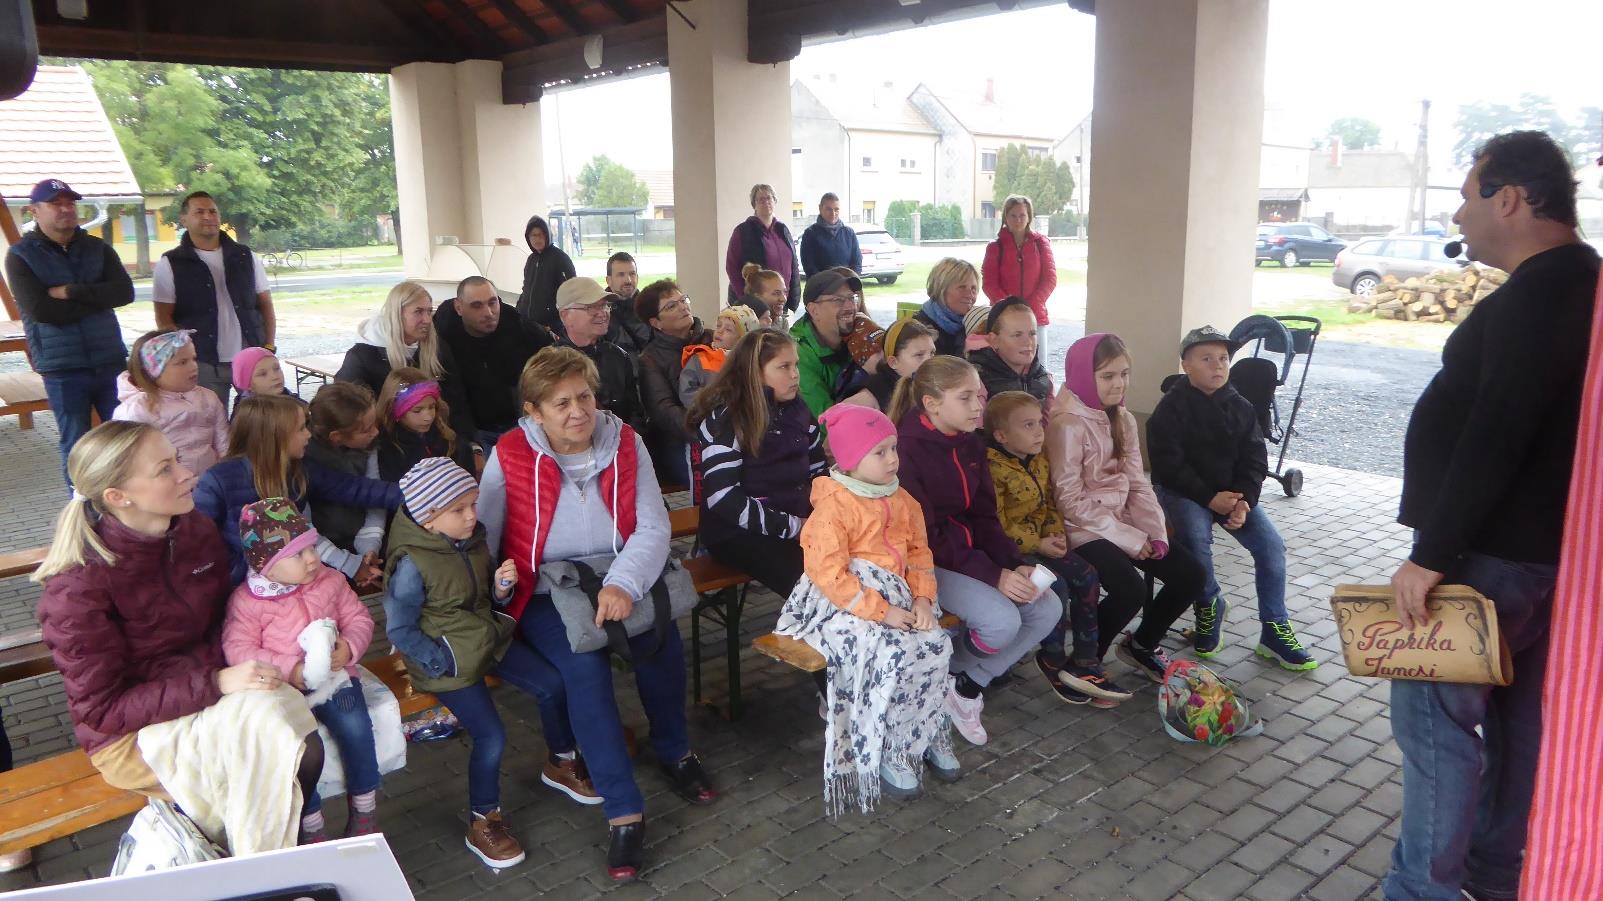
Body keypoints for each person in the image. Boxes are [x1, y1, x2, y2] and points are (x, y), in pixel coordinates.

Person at [1383, 131, 1600, 901]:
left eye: (1465, 196)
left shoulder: (1539, 294)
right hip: (1544, 558)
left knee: (1435, 729)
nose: (1457, 214)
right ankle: (1495, 873)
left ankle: (1422, 890)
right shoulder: (1582, 282)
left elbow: (1497, 430)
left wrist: (1431, 554)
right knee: (1516, 724)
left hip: (1484, 558)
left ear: (1508, 198)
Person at [477, 347, 715, 883]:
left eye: (584, 396)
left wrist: (623, 583)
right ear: (534, 411)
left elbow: (653, 526)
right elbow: (486, 536)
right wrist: (494, 590)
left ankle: (675, 752)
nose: (578, 411)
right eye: (560, 403)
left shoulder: (625, 441)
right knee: (583, 667)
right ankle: (624, 810)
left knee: (659, 642)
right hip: (547, 587)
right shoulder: (510, 453)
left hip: (620, 572)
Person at [34, 422, 324, 855]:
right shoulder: (76, 588)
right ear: (118, 496)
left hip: (208, 691)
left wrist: (282, 649)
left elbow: (225, 618)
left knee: (292, 736)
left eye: (178, 460)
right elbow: (103, 711)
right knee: (286, 750)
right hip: (131, 735)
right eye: (165, 469)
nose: (188, 474)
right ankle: (262, 867)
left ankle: (264, 864)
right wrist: (216, 683)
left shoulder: (192, 531)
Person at [386, 457, 599, 869]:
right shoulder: (411, 563)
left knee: (553, 684)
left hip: (484, 638)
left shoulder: (471, 538)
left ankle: (560, 760)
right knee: (492, 736)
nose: (472, 515)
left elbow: (481, 595)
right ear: (429, 518)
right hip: (446, 660)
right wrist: (440, 662)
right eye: (459, 509)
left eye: (473, 504)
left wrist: (501, 590)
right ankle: (483, 820)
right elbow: (399, 629)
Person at [775, 403, 958, 812]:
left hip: (900, 599)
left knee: (936, 646)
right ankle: (889, 748)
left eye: (893, 448)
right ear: (851, 460)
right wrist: (882, 611)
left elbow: (919, 553)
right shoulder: (834, 507)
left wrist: (924, 598)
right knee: (892, 654)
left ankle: (922, 732)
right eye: (879, 452)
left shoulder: (904, 500)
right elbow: (828, 573)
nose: (892, 459)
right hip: (843, 606)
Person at [891, 356, 1062, 746]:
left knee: (1046, 607)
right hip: (923, 562)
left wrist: (1013, 564)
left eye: (979, 396)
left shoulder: (970, 443)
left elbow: (985, 516)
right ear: (932, 404)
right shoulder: (907, 450)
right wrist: (993, 575)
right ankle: (940, 676)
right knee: (1002, 621)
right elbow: (927, 537)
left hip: (967, 556)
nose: (978, 406)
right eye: (965, 397)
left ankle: (963, 684)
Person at [1147, 326, 1317, 671]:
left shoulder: (1241, 406)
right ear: (1186, 365)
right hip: (1186, 492)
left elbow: (1255, 459)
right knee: (1196, 539)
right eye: (1206, 359)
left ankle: (1274, 628)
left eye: (1223, 358)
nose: (1218, 366)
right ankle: (1209, 602)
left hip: (1231, 495)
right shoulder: (1169, 409)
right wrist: (1210, 498)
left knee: (1271, 547)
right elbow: (1169, 467)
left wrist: (1244, 501)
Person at [1047, 333, 1206, 683]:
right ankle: (1085, 662)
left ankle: (1142, 645)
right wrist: (1131, 539)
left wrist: (1154, 531)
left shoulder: (1123, 418)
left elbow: (1137, 482)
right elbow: (1069, 500)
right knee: (1129, 589)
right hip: (1081, 529)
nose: (1118, 384)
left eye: (1124, 374)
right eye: (1107, 376)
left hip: (1121, 522)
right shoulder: (1066, 424)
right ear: (1083, 375)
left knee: (1191, 575)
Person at [222, 498, 380, 842]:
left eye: (312, 547)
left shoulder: (331, 580)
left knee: (356, 727)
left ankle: (365, 806)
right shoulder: (247, 602)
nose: (312, 559)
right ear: (267, 566)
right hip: (282, 690)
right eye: (298, 554)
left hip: (335, 680)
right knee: (297, 752)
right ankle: (309, 821)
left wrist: (348, 647)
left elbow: (359, 618)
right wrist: (289, 669)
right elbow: (238, 649)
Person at [984, 391, 1129, 707]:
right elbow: (997, 524)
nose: (1039, 431)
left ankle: (1086, 659)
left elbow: (1049, 503)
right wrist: (1038, 544)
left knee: (1087, 575)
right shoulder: (992, 469)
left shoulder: (1038, 459)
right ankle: (1051, 657)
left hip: (1043, 543)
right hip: (1012, 550)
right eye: (1028, 425)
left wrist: (1054, 532)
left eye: (1040, 422)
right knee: (1056, 585)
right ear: (1002, 435)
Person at [3, 179, 134, 487]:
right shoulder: (21, 256)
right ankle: (81, 506)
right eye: (56, 204)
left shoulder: (98, 248)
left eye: (70, 203)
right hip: (62, 367)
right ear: (34, 211)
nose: (66, 209)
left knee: (124, 437)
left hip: (109, 359)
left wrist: (71, 291)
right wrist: (97, 298)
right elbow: (42, 311)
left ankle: (127, 502)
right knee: (76, 442)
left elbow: (124, 293)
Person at [195, 394, 401, 584]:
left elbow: (355, 489)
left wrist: (413, 493)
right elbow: (199, 541)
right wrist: (235, 573)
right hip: (244, 586)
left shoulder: (299, 470)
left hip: (294, 577)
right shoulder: (218, 480)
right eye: (301, 429)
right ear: (276, 437)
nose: (308, 435)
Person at [688, 329, 827, 608]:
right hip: (738, 532)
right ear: (755, 372)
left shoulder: (799, 411)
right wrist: (793, 527)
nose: (795, 375)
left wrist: (825, 516)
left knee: (851, 564)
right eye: (784, 367)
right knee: (816, 588)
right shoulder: (727, 419)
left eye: (796, 365)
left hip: (794, 522)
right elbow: (724, 498)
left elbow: (819, 472)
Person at [152, 191, 276, 405]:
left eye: (212, 211)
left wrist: (269, 345)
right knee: (209, 420)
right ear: (184, 219)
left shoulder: (245, 256)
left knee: (262, 416)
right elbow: (164, 319)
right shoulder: (171, 263)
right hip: (203, 362)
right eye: (199, 212)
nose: (208, 217)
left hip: (251, 356)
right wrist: (183, 355)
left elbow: (265, 305)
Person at [337, 281, 476, 449]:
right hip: (384, 446)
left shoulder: (437, 348)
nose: (427, 320)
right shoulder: (363, 356)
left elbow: (457, 401)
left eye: (429, 311)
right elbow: (348, 410)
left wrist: (471, 445)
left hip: (437, 442)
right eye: (418, 312)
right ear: (396, 314)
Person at [434, 275, 552, 451]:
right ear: (459, 308)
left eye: (492, 302)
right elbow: (452, 397)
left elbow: (552, 355)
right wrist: (471, 443)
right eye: (477, 306)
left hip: (522, 424)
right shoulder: (443, 337)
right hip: (474, 431)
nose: (488, 313)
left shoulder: (517, 325)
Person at [112, 329, 229, 479]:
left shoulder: (208, 397)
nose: (194, 366)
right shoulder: (136, 410)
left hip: (209, 481)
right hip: (168, 485)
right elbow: (129, 460)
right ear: (154, 369)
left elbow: (223, 443)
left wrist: (225, 472)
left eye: (194, 359)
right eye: (182, 362)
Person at [304, 382, 386, 590]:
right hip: (320, 558)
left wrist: (369, 549)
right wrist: (348, 564)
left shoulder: (368, 447)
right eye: (367, 429)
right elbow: (303, 530)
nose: (376, 432)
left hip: (362, 545)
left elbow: (376, 500)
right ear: (337, 437)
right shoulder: (304, 459)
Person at [636, 280, 712, 486]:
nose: (682, 307)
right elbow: (664, 411)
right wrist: (708, 431)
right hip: (682, 440)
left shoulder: (712, 339)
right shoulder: (650, 359)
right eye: (671, 306)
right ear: (656, 323)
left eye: (683, 300)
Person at [551, 278, 647, 435]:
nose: (602, 313)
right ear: (565, 315)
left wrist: (628, 442)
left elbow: (635, 413)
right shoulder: (550, 365)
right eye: (590, 307)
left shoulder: (618, 356)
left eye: (604, 305)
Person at [981, 195, 1056, 362]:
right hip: (1004, 319)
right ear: (1005, 217)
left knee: (1038, 365)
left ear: (1029, 217)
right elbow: (989, 284)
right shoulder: (995, 247)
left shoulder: (1041, 244)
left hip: (1035, 316)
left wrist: (1029, 306)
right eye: (1013, 215)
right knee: (1005, 364)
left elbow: (1049, 279)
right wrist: (1009, 307)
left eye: (1022, 215)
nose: (1018, 220)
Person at [791, 270, 872, 418]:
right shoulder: (797, 352)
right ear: (814, 310)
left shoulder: (859, 332)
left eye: (851, 298)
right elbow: (826, 420)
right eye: (838, 300)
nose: (850, 307)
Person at [375, 368, 475, 481]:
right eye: (417, 411)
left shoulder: (446, 438)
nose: (428, 417)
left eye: (432, 407)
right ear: (395, 412)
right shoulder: (387, 449)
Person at [725, 183, 800, 307]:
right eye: (760, 199)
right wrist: (746, 298)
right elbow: (732, 267)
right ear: (754, 204)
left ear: (775, 201)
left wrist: (794, 298)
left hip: (781, 300)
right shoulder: (743, 231)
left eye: (769, 198)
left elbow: (794, 264)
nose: (766, 202)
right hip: (755, 303)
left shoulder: (782, 230)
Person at [970, 297, 1053, 406]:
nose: (1028, 342)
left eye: (1032, 333)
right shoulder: (977, 381)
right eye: (1017, 335)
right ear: (994, 340)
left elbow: (1051, 416)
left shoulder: (1043, 378)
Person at [678, 305, 761, 408]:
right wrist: (714, 403)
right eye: (718, 326)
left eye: (728, 329)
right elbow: (687, 391)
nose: (719, 331)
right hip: (707, 413)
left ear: (742, 340)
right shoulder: (700, 358)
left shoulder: (750, 363)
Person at [516, 214, 576, 330]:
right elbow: (526, 289)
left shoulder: (560, 258)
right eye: (533, 235)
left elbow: (571, 292)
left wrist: (555, 319)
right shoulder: (531, 259)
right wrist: (519, 310)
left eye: (540, 235)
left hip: (551, 326)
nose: (537, 239)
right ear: (528, 238)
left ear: (547, 235)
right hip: (528, 324)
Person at [864, 318, 937, 410]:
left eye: (932, 353)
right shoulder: (868, 398)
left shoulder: (932, 387)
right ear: (893, 362)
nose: (930, 361)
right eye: (919, 355)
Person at [913, 258, 980, 357]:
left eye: (973, 288)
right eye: (962, 287)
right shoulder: (918, 331)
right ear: (940, 289)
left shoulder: (975, 324)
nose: (970, 295)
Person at [799, 193, 862, 278]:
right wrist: (830, 283)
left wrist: (850, 281)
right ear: (820, 208)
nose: (833, 213)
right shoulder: (810, 234)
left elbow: (857, 263)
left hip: (847, 284)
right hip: (821, 285)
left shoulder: (849, 233)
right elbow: (809, 267)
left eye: (836, 209)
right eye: (829, 209)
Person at [603, 252, 652, 352]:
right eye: (621, 275)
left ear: (637, 277)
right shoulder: (599, 313)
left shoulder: (651, 306)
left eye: (632, 274)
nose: (628, 280)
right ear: (608, 280)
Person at [231, 346, 295, 406]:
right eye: (263, 374)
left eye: (277, 368)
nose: (275, 377)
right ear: (248, 385)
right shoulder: (247, 412)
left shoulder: (294, 402)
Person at [739, 262, 786, 327]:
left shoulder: (783, 324)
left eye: (785, 292)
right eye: (776, 293)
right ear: (756, 298)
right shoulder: (740, 326)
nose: (783, 299)